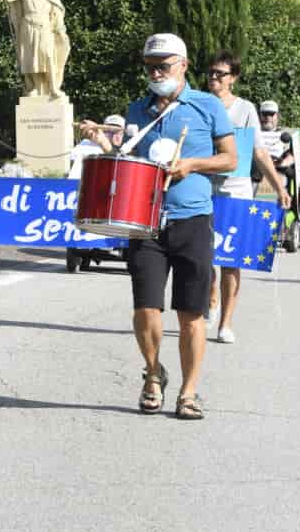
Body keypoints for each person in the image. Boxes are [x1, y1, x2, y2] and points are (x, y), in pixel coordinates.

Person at [80, 33, 236, 421]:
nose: (155, 72)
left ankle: (189, 392)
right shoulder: (137, 109)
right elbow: (129, 163)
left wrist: (192, 165)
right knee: (145, 309)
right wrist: (103, 143)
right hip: (145, 222)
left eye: (163, 65)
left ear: (182, 65)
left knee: (191, 313)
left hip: (193, 218)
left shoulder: (207, 106)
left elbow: (230, 159)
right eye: (150, 66)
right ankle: (153, 373)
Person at [202, 51, 290, 345]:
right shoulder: (198, 104)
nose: (214, 78)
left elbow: (259, 151)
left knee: (231, 260)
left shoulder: (245, 109)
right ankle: (210, 300)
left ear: (233, 78)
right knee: (203, 258)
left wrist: (279, 187)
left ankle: (225, 323)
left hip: (236, 189)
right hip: (202, 187)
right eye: (211, 73)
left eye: (221, 74)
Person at [0, 0, 71, 99]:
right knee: (31, 60)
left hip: (44, 28)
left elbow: (56, 12)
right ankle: (34, 88)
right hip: (28, 28)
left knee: (48, 56)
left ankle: (53, 88)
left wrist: (59, 28)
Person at [68, 113, 125, 178]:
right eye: (108, 131)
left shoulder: (128, 149)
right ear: (102, 131)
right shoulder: (89, 144)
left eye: (117, 132)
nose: (113, 136)